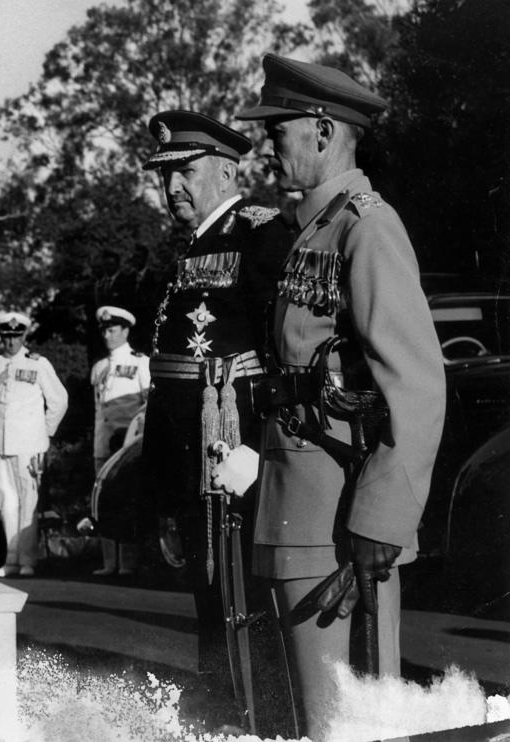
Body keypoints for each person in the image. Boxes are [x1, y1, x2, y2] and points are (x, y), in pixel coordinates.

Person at [235, 54, 446, 738]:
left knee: (346, 724)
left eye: (280, 129)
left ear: (322, 133)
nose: (269, 143)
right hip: (297, 512)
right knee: (307, 719)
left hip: (339, 526)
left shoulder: (366, 227)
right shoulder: (311, 231)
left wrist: (382, 521)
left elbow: (414, 383)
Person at [138, 111, 293, 689]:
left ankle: (262, 720)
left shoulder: (261, 234)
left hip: (238, 456)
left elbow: (285, 354)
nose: (171, 186)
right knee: (212, 600)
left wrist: (263, 450)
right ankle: (230, 713)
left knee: (246, 602)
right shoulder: (193, 248)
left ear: (227, 173)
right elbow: (172, 375)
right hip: (192, 462)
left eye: (185, 171)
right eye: (164, 174)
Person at [0, 311, 68, 578]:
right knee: (6, 501)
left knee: (28, 501)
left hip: (30, 443)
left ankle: (28, 560)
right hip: (2, 442)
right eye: (6, 337)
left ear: (24, 335)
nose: (10, 342)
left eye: (16, 336)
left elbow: (59, 400)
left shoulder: (38, 363)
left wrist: (44, 434)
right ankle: (10, 559)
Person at [89, 305, 150, 576]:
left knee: (126, 501)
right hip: (103, 443)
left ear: (125, 330)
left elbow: (147, 406)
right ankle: (108, 562)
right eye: (104, 330)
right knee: (102, 500)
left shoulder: (140, 362)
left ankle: (128, 563)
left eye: (112, 330)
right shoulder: (100, 367)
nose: (107, 335)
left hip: (127, 446)